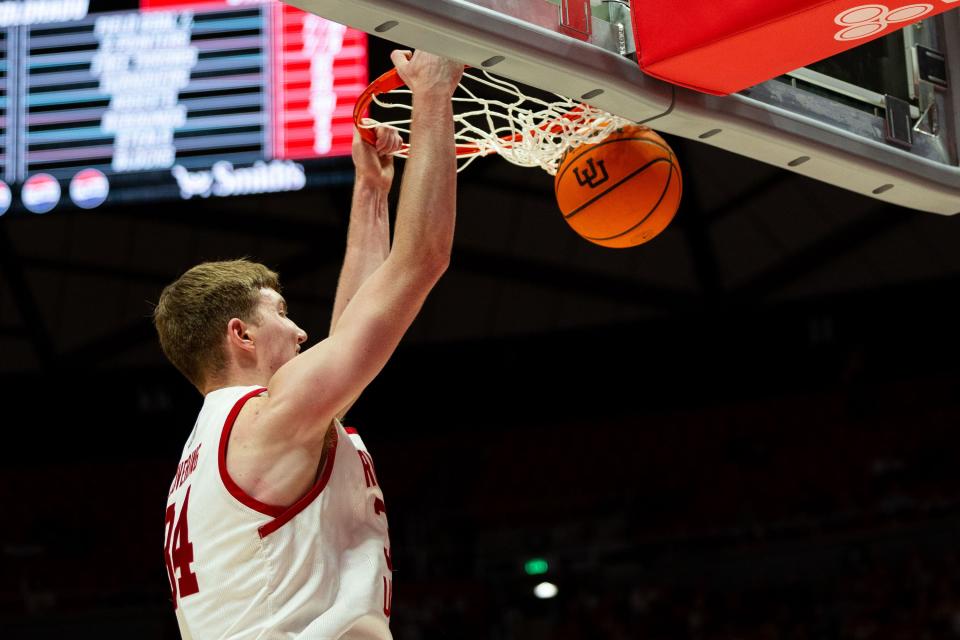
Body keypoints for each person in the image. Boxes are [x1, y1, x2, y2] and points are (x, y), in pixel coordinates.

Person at [153, 50, 464, 639]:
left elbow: (350, 334)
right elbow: (422, 260)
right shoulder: (272, 420)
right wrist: (432, 93)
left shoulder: (232, 437)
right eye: (282, 314)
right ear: (240, 334)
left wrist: (371, 193)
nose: (300, 332)